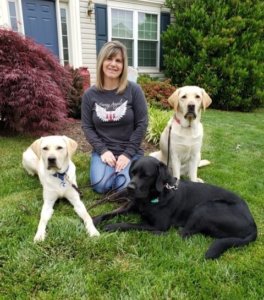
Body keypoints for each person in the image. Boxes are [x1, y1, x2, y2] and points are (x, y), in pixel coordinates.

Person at [81, 41, 148, 194]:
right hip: (104, 151)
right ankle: (108, 168)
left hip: (130, 150)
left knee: (122, 188)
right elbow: (87, 127)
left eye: (118, 61)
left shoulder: (134, 90)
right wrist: (102, 151)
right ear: (101, 62)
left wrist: (127, 154)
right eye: (109, 59)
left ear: (123, 66)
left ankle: (123, 171)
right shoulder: (90, 95)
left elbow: (142, 124)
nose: (113, 64)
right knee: (101, 186)